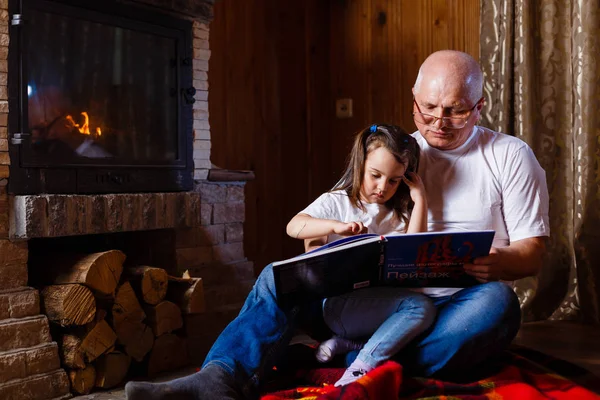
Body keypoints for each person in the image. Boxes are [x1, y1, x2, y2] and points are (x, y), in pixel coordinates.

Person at [125, 49, 550, 400]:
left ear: (479, 107)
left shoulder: (510, 156)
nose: (438, 122)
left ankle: (347, 359)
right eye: (429, 109)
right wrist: (326, 250)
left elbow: (533, 254)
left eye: (456, 112)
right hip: (367, 304)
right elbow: (331, 215)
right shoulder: (394, 155)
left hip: (453, 309)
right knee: (277, 278)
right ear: (413, 102)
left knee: (498, 305)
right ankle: (217, 378)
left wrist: (497, 261)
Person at [286, 123, 435, 386]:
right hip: (339, 307)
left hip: (379, 306)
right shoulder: (337, 202)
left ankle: (351, 344)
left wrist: (420, 199)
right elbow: (294, 226)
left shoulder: (398, 214)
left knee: (420, 302)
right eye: (375, 175)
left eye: (394, 180)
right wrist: (335, 226)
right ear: (360, 164)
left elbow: (415, 253)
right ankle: (359, 370)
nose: (382, 187)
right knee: (419, 308)